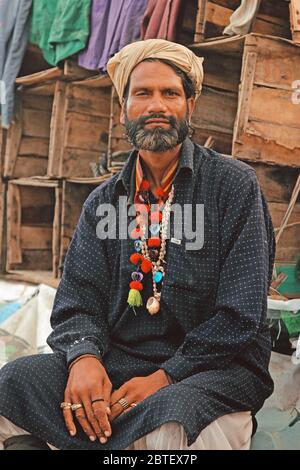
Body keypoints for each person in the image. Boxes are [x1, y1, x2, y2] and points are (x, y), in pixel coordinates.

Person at [0, 39, 275, 450]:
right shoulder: (104, 202)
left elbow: (239, 315)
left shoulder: (233, 187)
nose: (156, 106)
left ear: (190, 105)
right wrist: (85, 358)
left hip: (211, 368)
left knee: (172, 421)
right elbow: (77, 301)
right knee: (13, 383)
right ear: (123, 108)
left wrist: (168, 375)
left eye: (171, 93)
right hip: (119, 360)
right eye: (142, 93)